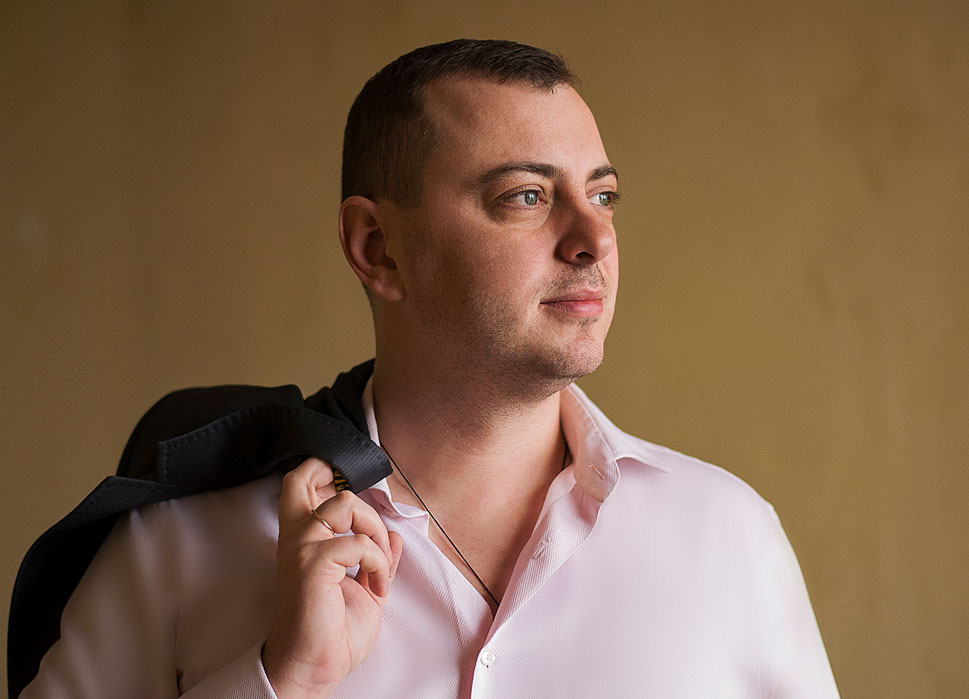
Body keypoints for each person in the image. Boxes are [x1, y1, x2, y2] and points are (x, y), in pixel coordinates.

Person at [17, 39, 839, 697]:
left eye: (602, 195)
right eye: (525, 195)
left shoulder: (726, 535)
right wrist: (280, 679)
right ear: (378, 248)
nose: (593, 239)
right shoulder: (178, 544)